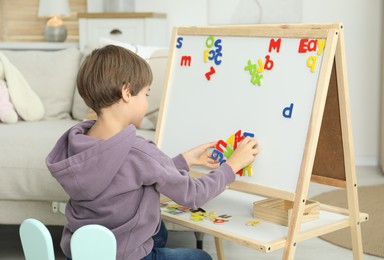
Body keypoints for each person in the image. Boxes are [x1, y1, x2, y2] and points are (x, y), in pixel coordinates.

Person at [46, 45, 258, 260]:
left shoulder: (76, 144)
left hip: (86, 251)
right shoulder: (138, 151)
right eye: (146, 93)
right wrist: (231, 167)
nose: (147, 103)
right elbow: (193, 194)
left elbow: (129, 173)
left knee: (159, 230)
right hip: (125, 255)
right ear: (127, 92)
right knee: (201, 258)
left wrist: (184, 160)